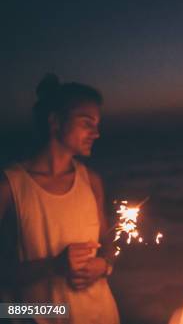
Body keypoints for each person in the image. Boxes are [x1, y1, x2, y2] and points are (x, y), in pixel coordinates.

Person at [0, 74, 119, 324]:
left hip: (102, 315)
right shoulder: (10, 187)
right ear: (55, 121)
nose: (96, 133)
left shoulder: (92, 181)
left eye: (98, 124)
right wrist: (53, 266)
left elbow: (107, 241)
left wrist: (104, 265)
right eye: (87, 123)